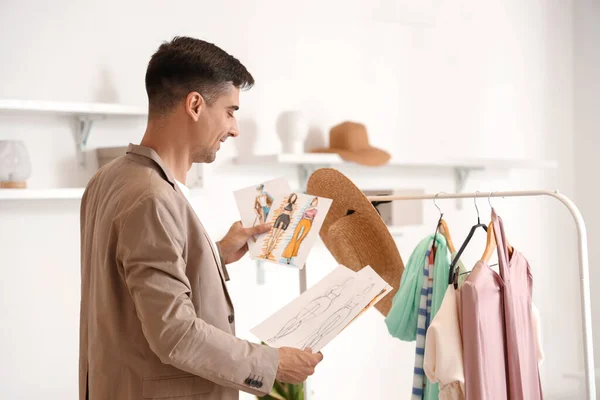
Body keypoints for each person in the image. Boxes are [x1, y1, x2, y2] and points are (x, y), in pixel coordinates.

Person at [78, 36, 323, 400]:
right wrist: (272, 364)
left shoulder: (108, 179)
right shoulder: (152, 197)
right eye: (230, 111)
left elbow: (132, 282)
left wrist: (217, 252)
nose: (235, 128)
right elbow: (174, 333)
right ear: (195, 104)